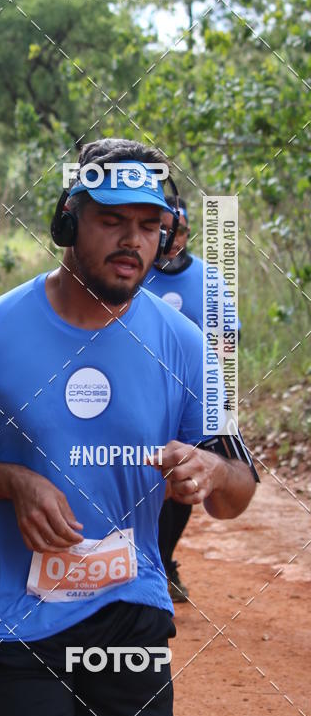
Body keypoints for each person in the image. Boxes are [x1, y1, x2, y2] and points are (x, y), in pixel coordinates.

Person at [0, 138, 258, 716]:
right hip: (13, 622)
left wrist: (209, 471)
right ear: (68, 220)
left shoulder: (183, 344)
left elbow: (239, 491)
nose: (132, 241)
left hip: (129, 615)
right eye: (112, 220)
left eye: (149, 226)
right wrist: (11, 480)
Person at [143, 197, 240, 602]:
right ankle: (144, 561)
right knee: (146, 480)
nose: (171, 241)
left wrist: (218, 395)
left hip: (190, 400)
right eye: (163, 232)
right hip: (142, 396)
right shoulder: (134, 276)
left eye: (178, 232)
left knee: (182, 481)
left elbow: (227, 341)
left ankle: (162, 560)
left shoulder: (209, 279)